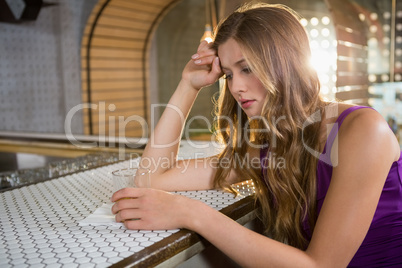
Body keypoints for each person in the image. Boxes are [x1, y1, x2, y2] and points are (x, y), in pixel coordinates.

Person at [111, 3, 402, 267]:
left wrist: (192, 214)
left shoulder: (363, 130)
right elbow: (153, 177)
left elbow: (321, 266)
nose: (235, 87)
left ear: (286, 63)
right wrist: (188, 84)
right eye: (228, 74)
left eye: (247, 68)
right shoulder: (267, 148)